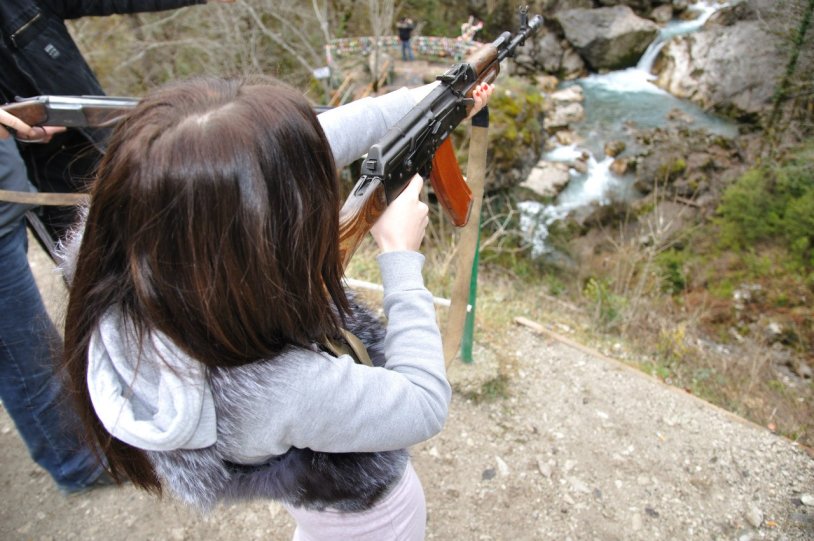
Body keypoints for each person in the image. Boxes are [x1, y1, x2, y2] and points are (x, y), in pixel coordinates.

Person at [61, 76, 493, 538]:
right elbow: (425, 404)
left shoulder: (139, 245)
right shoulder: (276, 389)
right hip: (371, 520)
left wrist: (427, 100)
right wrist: (400, 257)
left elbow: (282, 156)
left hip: (313, 507)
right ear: (261, 243)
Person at [0, 0, 230, 496]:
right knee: (21, 333)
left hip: (60, 161)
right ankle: (80, 462)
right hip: (21, 179)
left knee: (128, 274)